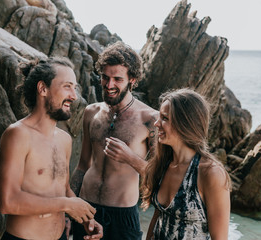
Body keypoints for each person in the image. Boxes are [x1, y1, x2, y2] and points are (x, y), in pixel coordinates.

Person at [0, 57, 103, 240]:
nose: (74, 96)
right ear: (43, 89)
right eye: (67, 86)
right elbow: (8, 202)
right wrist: (65, 204)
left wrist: (85, 218)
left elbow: (62, 188)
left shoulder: (65, 140)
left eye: (75, 87)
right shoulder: (18, 134)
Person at [70, 41, 158, 240]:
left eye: (117, 79)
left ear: (132, 80)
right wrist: (70, 210)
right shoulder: (91, 112)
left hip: (122, 216)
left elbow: (161, 177)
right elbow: (83, 165)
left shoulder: (150, 119)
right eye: (105, 77)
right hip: (85, 208)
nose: (109, 85)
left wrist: (131, 158)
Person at [141, 88, 231, 240]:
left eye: (165, 118)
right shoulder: (163, 164)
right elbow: (158, 218)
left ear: (185, 123)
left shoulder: (210, 173)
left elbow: (220, 238)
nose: (156, 123)